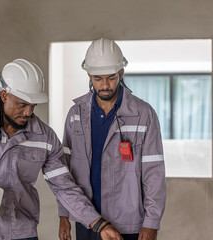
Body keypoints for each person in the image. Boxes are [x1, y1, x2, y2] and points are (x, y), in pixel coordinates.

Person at [0, 58, 123, 240]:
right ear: (4, 95)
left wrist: (99, 224)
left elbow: (65, 188)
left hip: (21, 233)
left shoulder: (45, 137)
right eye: (22, 105)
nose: (28, 113)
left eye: (32, 106)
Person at [58, 38, 166, 240]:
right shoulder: (76, 114)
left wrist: (152, 223)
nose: (105, 85)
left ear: (121, 73)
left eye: (111, 77)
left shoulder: (144, 114)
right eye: (98, 78)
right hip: (87, 219)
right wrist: (64, 215)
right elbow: (65, 171)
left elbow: (154, 173)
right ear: (89, 75)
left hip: (129, 223)